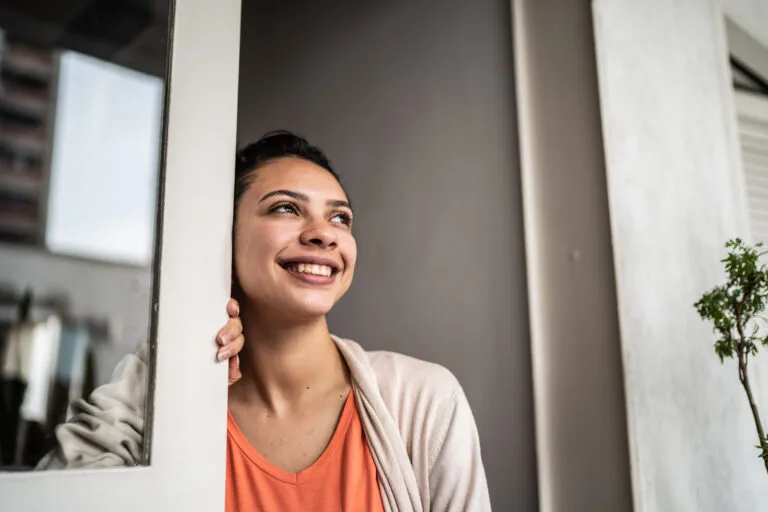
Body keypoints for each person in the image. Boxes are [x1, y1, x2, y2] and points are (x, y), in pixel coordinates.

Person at [39, 131, 491, 511]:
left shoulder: (425, 402)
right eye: (286, 208)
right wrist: (163, 366)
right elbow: (55, 495)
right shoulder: (176, 415)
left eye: (340, 218)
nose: (323, 233)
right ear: (225, 237)